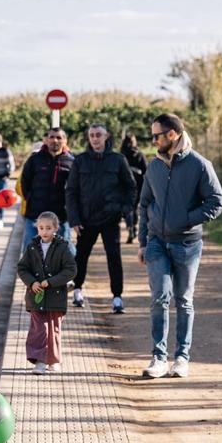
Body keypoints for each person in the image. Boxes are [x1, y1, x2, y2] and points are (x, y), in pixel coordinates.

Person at [137, 113, 222, 379]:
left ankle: (182, 358)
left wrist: (187, 219)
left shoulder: (199, 165)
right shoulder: (154, 166)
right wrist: (142, 242)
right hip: (157, 243)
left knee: (184, 300)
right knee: (159, 298)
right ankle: (159, 358)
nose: (153, 140)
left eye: (156, 135)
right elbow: (144, 204)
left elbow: (216, 201)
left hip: (187, 244)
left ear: (172, 134)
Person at [65, 124, 137, 313]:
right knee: (81, 256)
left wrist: (124, 210)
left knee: (114, 257)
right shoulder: (80, 161)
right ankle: (78, 290)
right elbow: (71, 191)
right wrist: (74, 219)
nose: (95, 139)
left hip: (110, 218)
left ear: (106, 137)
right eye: (92, 135)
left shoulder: (118, 160)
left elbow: (131, 187)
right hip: (86, 219)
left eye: (99, 135)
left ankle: (117, 298)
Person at [17, 212, 77, 375]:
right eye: (41, 228)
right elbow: (22, 268)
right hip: (36, 296)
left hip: (56, 297)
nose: (44, 231)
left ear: (56, 228)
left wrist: (51, 281)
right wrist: (32, 282)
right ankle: (40, 361)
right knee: (39, 329)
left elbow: (71, 270)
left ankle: (53, 360)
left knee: (54, 329)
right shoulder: (31, 246)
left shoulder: (63, 247)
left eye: (49, 228)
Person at [19, 128, 74, 248]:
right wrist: (30, 199)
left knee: (65, 252)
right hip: (35, 214)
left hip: (61, 216)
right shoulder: (34, 160)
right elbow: (24, 183)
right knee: (30, 251)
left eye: (59, 137)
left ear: (65, 140)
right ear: (46, 140)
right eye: (52, 137)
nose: (55, 140)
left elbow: (75, 189)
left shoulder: (72, 162)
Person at [120, 134, 147, 243]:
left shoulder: (121, 156)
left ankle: (131, 227)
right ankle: (133, 227)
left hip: (124, 185)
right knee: (134, 207)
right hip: (137, 185)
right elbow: (146, 170)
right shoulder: (140, 155)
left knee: (128, 208)